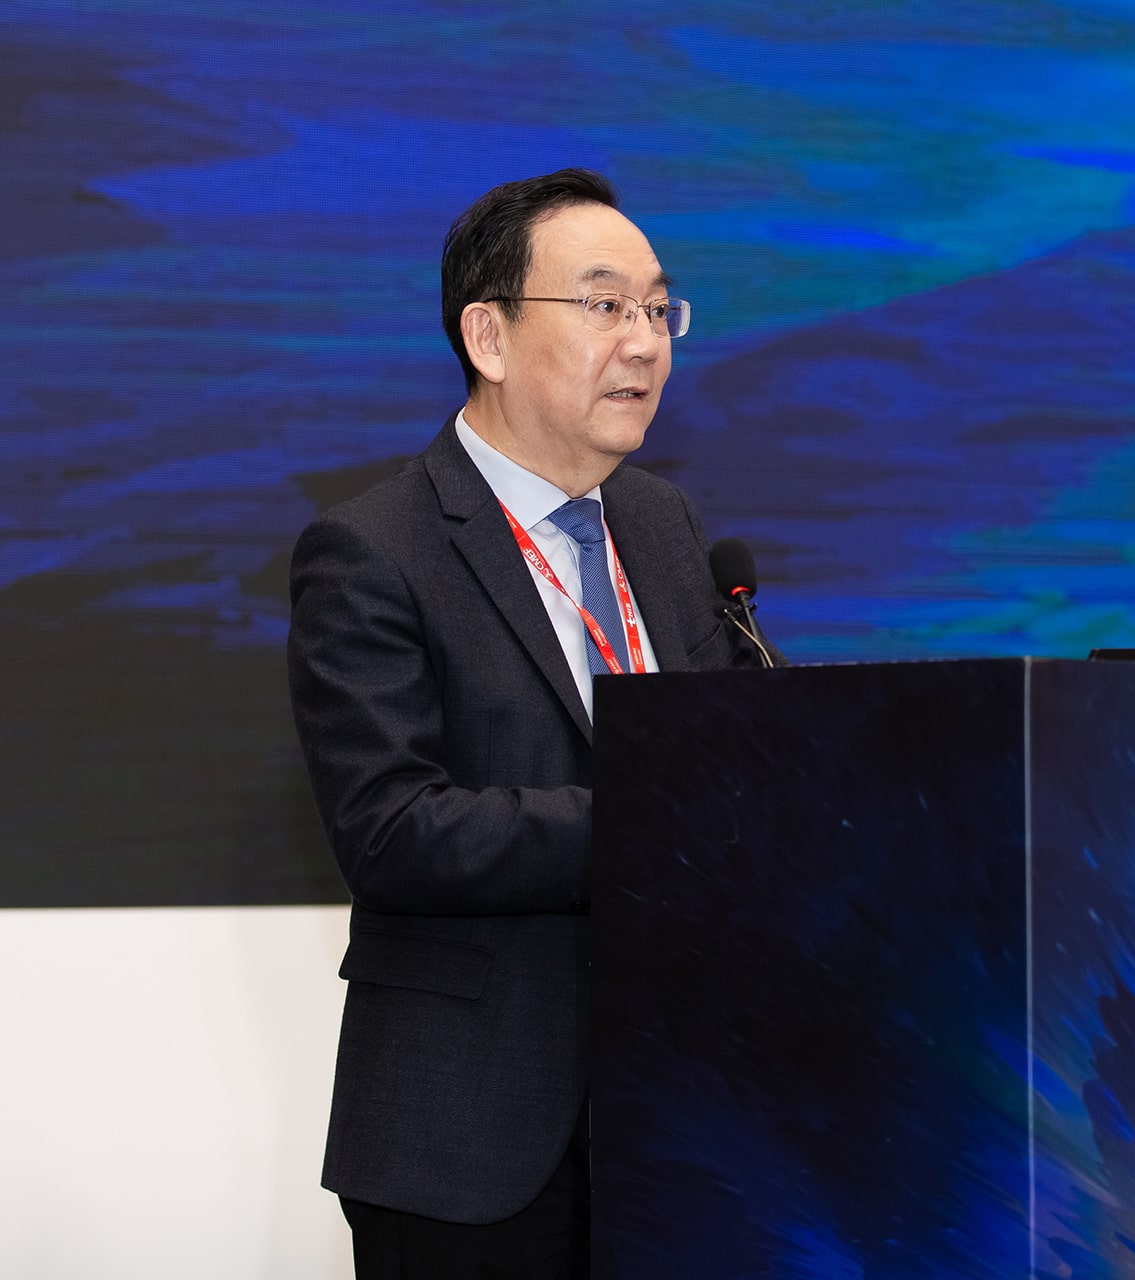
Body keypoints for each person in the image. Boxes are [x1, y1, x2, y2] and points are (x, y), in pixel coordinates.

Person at [287, 168, 772, 1277]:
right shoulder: (375, 550)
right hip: (475, 1136)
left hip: (682, 1115)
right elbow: (393, 829)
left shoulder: (664, 523)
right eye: (604, 305)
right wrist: (652, 820)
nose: (644, 342)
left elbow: (730, 754)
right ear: (489, 336)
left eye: (659, 308)